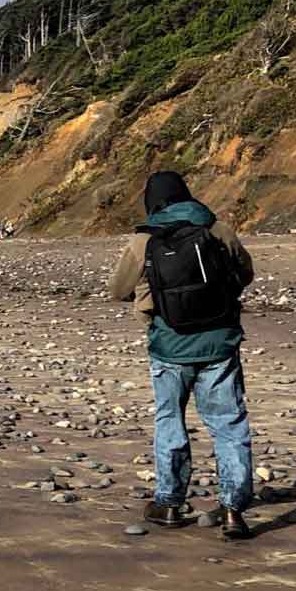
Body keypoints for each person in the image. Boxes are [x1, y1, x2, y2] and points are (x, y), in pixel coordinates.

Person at [108, 171, 257, 540]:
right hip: (219, 344)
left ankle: (170, 503)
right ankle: (234, 509)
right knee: (229, 424)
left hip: (169, 345)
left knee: (169, 421)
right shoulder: (217, 229)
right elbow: (246, 273)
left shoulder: (143, 239)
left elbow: (117, 289)